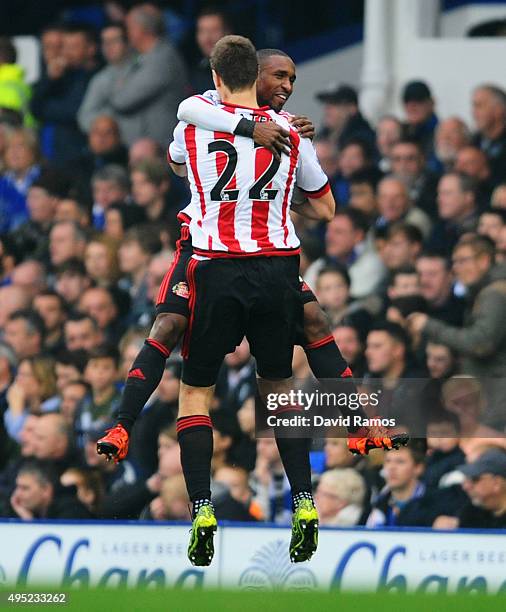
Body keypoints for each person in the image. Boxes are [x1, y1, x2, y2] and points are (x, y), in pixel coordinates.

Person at [409, 235, 506, 428]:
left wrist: (430, 326)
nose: (456, 268)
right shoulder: (486, 291)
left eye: (463, 261)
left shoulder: (494, 294)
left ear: (484, 260)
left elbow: (481, 343)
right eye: (455, 262)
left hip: (497, 396)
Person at [108, 4, 188, 146]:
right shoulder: (144, 57)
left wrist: (120, 84)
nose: (127, 34)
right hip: (146, 145)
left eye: (129, 28)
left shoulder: (161, 59)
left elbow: (122, 99)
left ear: (139, 30)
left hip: (160, 147)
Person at [30, 23, 99, 165]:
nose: (66, 53)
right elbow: (34, 108)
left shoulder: (92, 77)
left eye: (72, 47)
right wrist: (49, 80)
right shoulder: (57, 78)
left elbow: (72, 111)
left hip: (76, 154)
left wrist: (45, 109)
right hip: (49, 153)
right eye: (65, 47)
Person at [77, 23, 136, 136]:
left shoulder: (143, 67)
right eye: (105, 42)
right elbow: (84, 117)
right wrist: (108, 123)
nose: (109, 46)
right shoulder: (100, 79)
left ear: (128, 42)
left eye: (114, 40)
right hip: (118, 144)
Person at [427, 172, 479, 255]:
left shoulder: (482, 228)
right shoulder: (439, 228)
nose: (439, 199)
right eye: (439, 193)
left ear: (468, 197)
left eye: (447, 193)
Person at [315, 83, 375, 149]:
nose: (327, 108)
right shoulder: (322, 137)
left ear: (352, 108)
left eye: (335, 103)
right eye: (326, 103)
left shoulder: (365, 141)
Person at [189, 7, 231, 93]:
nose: (207, 38)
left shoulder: (241, 69)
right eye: (202, 31)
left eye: (214, 30)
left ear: (227, 33)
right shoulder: (195, 72)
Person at [471, 84, 506, 186]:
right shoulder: (473, 142)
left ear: (499, 110)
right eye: (473, 106)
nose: (474, 113)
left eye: (479, 106)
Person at [401, 80, 438, 163]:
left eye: (418, 100)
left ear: (431, 103)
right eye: (407, 101)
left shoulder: (441, 132)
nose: (412, 106)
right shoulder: (403, 131)